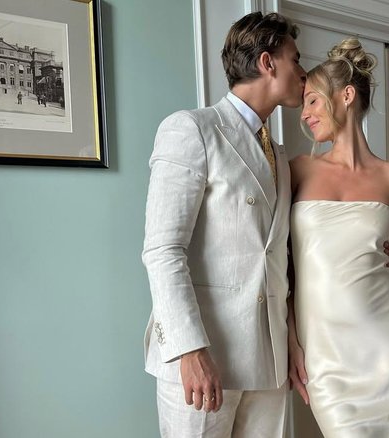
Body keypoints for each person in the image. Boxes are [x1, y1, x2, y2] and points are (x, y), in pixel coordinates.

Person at [141, 11, 306, 438]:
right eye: (295, 59)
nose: (303, 72)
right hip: (202, 359)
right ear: (268, 63)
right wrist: (189, 349)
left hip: (268, 364)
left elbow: (276, 257)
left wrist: (289, 343)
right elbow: (162, 249)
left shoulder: (279, 155)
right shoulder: (192, 130)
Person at [287, 37, 389, 437]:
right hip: (327, 359)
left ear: (346, 96)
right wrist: (290, 339)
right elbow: (281, 268)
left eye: (312, 101)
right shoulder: (297, 171)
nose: (305, 114)